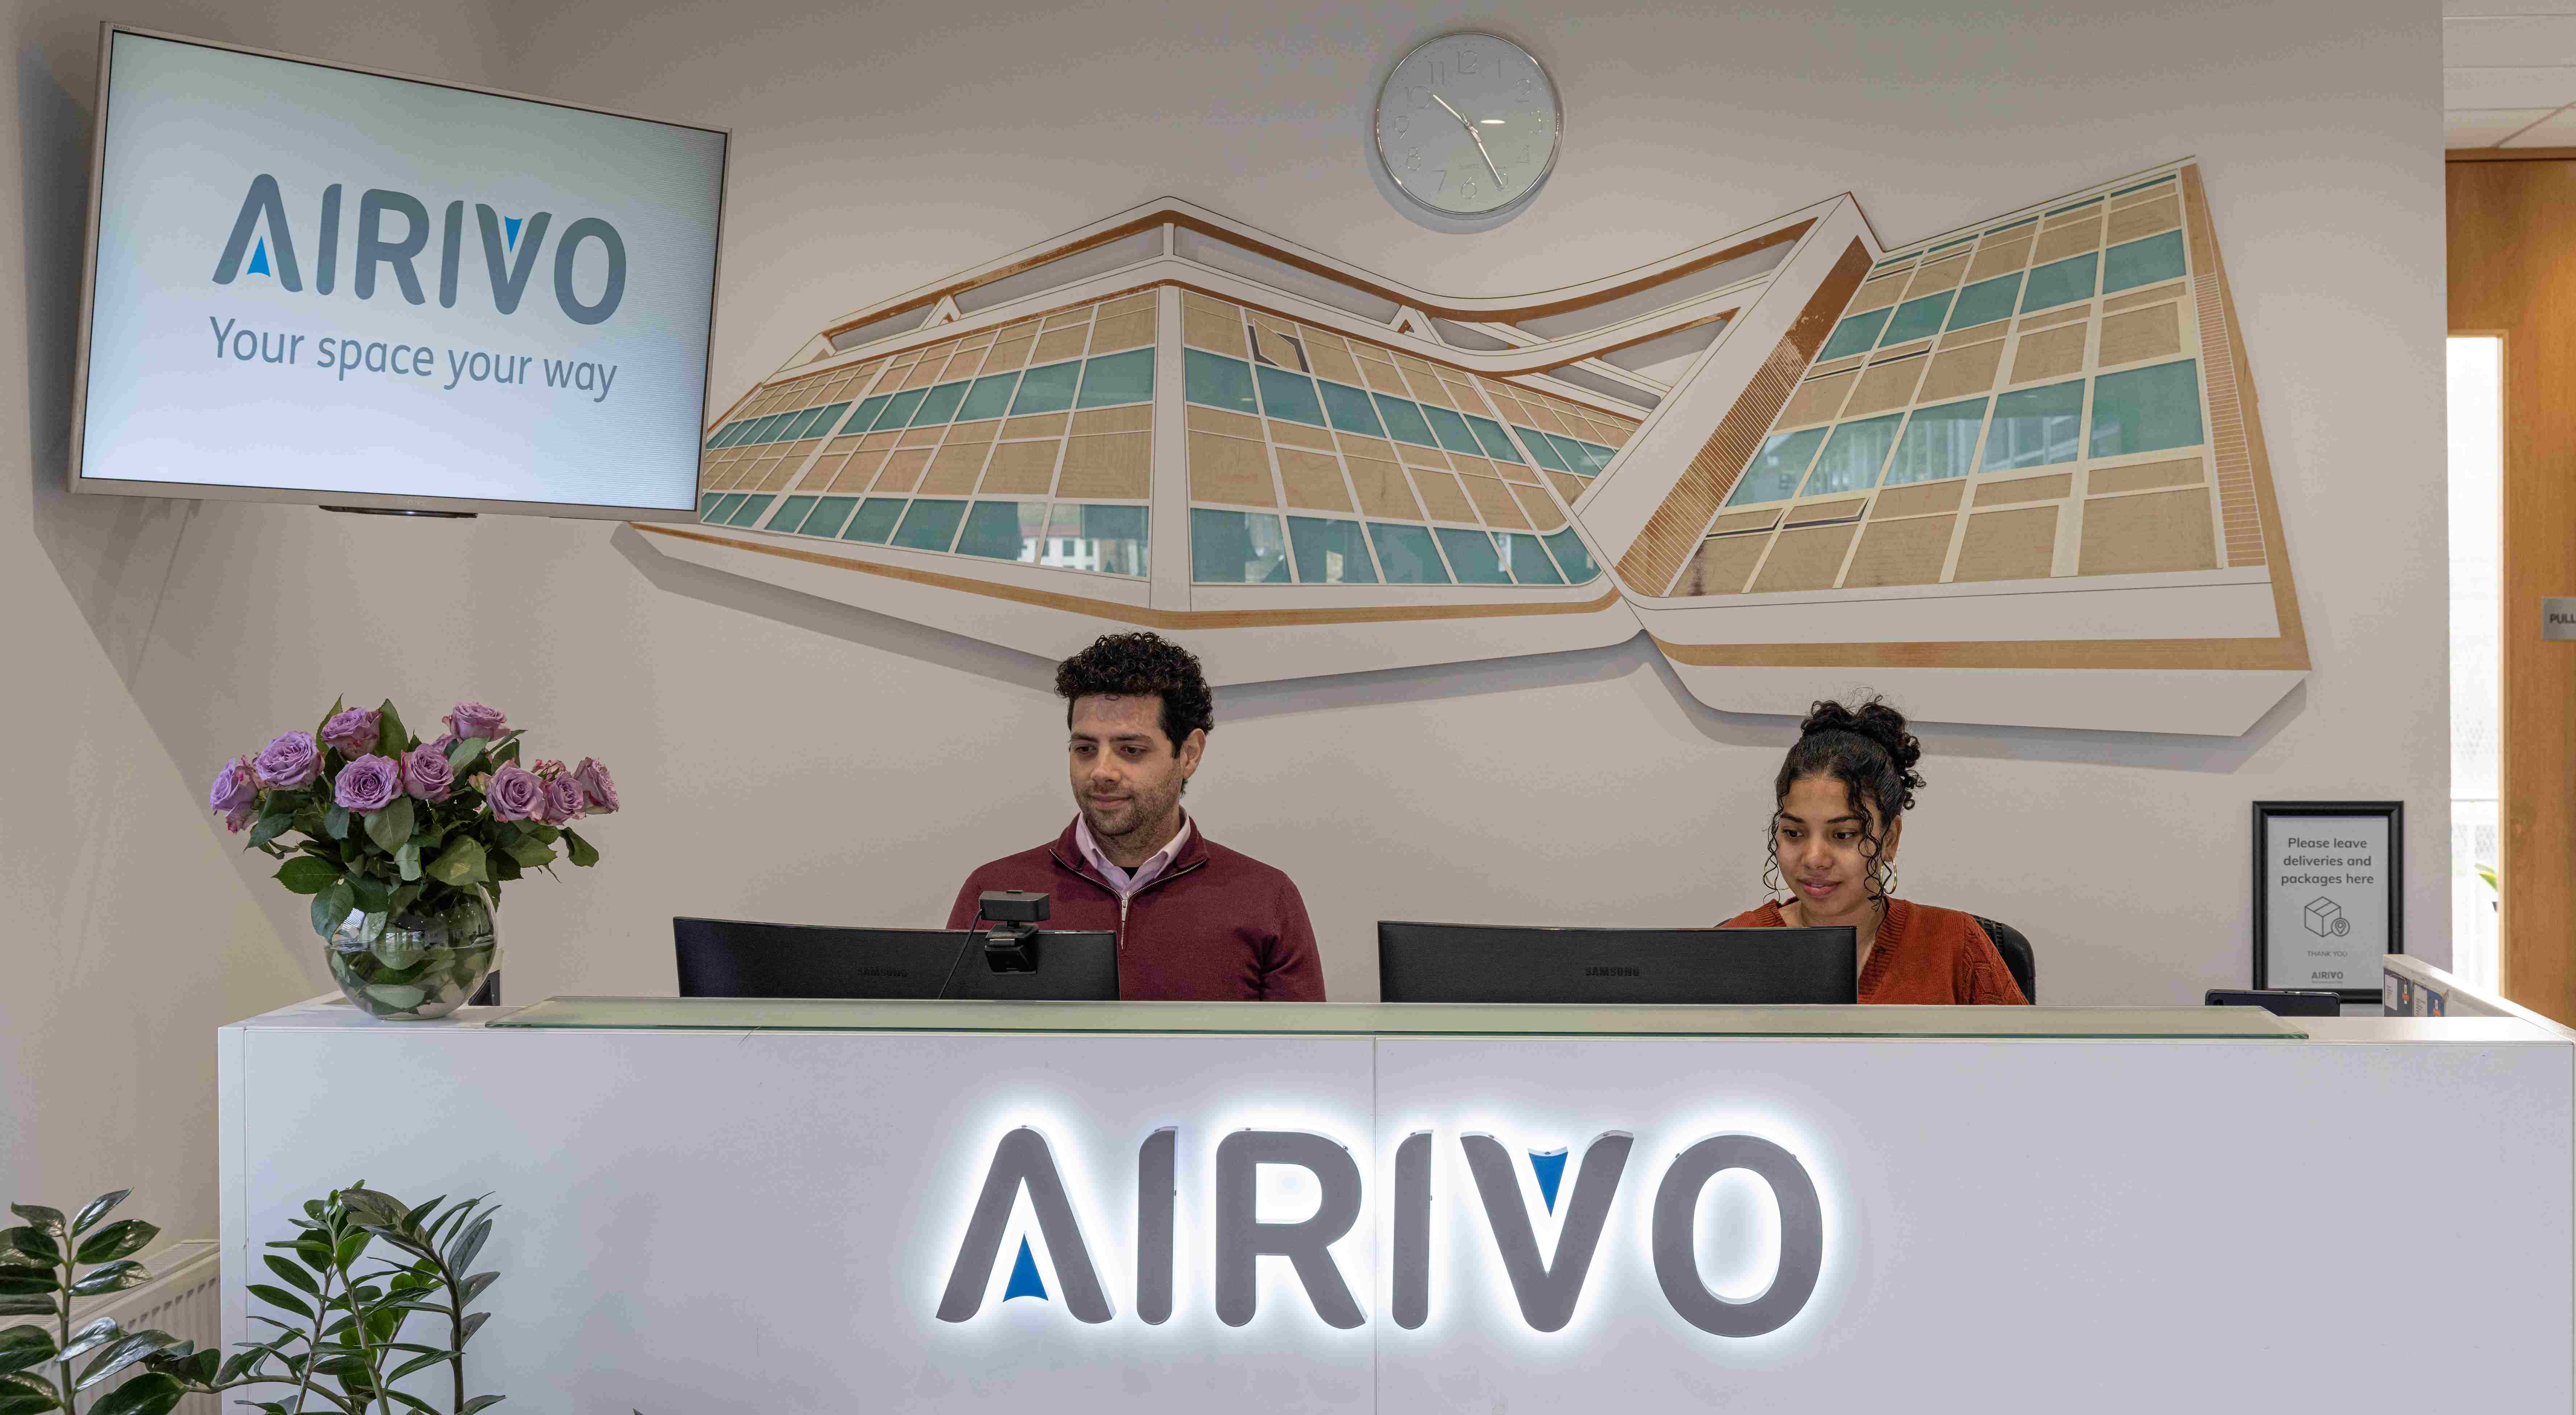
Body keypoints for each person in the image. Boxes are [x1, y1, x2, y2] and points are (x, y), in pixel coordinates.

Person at [946, 631, 1325, 1001]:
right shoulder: (992, 893)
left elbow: (1301, 1045)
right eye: (1085, 748)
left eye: (1130, 750)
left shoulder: (1266, 898)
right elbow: (950, 1039)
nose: (1102, 772)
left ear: (1189, 754)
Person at [1721, 697, 2028, 1005]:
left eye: (1843, 835)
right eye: (1794, 833)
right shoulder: (1731, 948)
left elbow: (2023, 1039)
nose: (1814, 859)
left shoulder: (1956, 943)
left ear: (1890, 840)